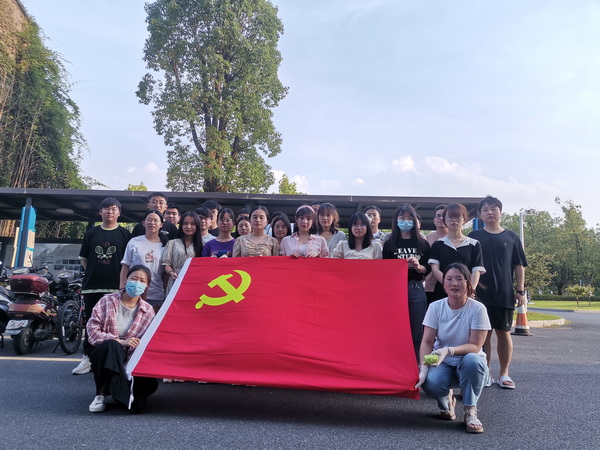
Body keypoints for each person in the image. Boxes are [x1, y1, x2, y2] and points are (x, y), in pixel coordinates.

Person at [415, 263, 491, 433]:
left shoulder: (478, 309)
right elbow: (427, 341)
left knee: (473, 361)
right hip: (442, 361)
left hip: (468, 360)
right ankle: (446, 403)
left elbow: (475, 345)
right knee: (430, 381)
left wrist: (448, 350)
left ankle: (470, 410)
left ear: (468, 283)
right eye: (449, 279)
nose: (454, 283)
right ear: (444, 285)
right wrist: (424, 368)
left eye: (459, 279)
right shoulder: (435, 307)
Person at [468, 196, 527, 389]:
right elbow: (468, 264)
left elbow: (519, 265)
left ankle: (504, 373)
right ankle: (485, 373)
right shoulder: (474, 236)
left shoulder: (511, 237)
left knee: (504, 333)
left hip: (504, 292)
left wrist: (520, 290)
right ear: (480, 214)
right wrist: (470, 288)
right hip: (479, 294)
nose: (490, 212)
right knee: (483, 334)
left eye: (494, 209)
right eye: (485, 209)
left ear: (501, 212)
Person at [87, 265, 158, 413]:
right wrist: (120, 342)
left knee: (142, 398)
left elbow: (149, 341)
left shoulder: (148, 310)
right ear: (126, 280)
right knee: (112, 345)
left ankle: (124, 391)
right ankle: (101, 394)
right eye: (134, 278)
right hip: (105, 352)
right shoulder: (106, 301)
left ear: (147, 285)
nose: (137, 283)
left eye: (142, 281)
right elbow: (92, 332)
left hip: (131, 358)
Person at [73, 197, 131, 375]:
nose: (109, 211)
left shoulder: (125, 234)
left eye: (113, 209)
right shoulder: (91, 233)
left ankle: (115, 360)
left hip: (116, 288)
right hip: (93, 286)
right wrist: (95, 272)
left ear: (119, 213)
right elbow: (84, 260)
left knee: (116, 325)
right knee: (91, 323)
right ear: (100, 212)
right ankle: (88, 357)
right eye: (106, 208)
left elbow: (127, 263)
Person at [382, 204, 430, 360]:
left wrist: (418, 267)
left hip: (416, 288)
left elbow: (428, 268)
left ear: (415, 220)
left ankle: (418, 365)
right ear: (396, 220)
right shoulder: (389, 244)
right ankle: (396, 364)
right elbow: (385, 269)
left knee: (417, 332)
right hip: (395, 291)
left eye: (409, 218)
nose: (405, 221)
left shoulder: (422, 243)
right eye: (402, 217)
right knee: (395, 330)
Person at [428, 203, 485, 302]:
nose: (454, 220)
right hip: (442, 293)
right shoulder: (438, 244)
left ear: (464, 219)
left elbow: (476, 270)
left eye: (458, 217)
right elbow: (435, 269)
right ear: (445, 220)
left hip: (467, 295)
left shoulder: (474, 244)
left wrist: (469, 289)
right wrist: (448, 285)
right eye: (450, 217)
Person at [121, 210, 167, 312]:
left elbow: (165, 273)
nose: (152, 223)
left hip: (156, 294)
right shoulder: (134, 242)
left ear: (161, 224)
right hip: (134, 292)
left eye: (155, 220)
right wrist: (122, 288)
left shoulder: (165, 246)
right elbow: (125, 266)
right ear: (143, 223)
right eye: (149, 220)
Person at [163, 211, 204, 295]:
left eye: (192, 224)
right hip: (175, 280)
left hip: (193, 283)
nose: (188, 226)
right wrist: (171, 272)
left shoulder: (202, 245)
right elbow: (166, 263)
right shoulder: (172, 243)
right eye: (185, 223)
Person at [425, 205, 448, 306]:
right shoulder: (426, 238)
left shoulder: (455, 239)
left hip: (451, 283)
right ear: (434, 220)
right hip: (430, 285)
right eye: (438, 216)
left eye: (444, 216)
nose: (441, 218)